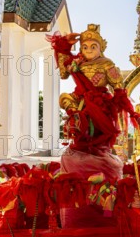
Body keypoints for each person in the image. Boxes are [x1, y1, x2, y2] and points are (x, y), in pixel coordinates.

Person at [47, 24, 131, 181]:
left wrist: (118, 101)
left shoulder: (106, 63)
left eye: (93, 46)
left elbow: (118, 85)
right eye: (85, 47)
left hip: (100, 103)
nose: (89, 50)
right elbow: (64, 73)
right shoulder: (78, 62)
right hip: (80, 100)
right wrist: (65, 45)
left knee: (97, 131)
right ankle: (77, 124)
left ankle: (95, 151)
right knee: (65, 98)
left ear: (101, 48)